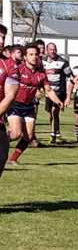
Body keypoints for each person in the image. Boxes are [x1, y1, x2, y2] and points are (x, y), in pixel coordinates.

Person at [7, 44, 63, 164]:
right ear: (25, 57)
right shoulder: (18, 69)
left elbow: (48, 90)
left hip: (29, 107)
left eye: (36, 54)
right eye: (31, 54)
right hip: (15, 104)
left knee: (28, 136)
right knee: (16, 134)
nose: (34, 57)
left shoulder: (41, 74)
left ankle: (12, 159)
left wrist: (58, 101)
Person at [0, 24, 20, 178]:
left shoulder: (10, 65)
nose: (1, 41)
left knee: (1, 158)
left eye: (3, 37)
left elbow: (11, 94)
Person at [43, 42, 73, 144]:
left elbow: (71, 77)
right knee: (51, 115)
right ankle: (57, 132)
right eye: (51, 49)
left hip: (59, 92)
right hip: (47, 92)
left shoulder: (63, 62)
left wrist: (68, 96)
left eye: (54, 49)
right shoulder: (42, 61)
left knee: (54, 112)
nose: (53, 51)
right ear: (47, 50)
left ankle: (53, 135)